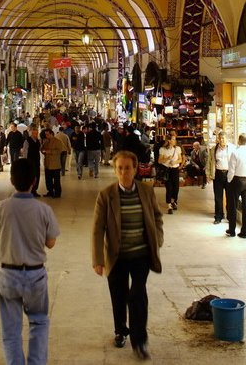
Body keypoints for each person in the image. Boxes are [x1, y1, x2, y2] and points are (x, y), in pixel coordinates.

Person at [92, 150, 163, 360]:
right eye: (120, 168)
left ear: (135, 169)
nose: (124, 172)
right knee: (119, 294)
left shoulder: (146, 191)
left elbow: (157, 217)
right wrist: (97, 259)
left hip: (141, 254)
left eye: (128, 168)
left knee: (137, 295)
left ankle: (139, 341)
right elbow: (98, 228)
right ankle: (121, 330)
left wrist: (157, 239)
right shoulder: (106, 195)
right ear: (115, 170)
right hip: (117, 255)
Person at [0, 158, 60, 365]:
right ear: (34, 181)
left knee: (10, 330)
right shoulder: (43, 210)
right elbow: (51, 242)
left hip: (8, 274)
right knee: (39, 322)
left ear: (11, 180)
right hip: (35, 275)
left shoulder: (1, 208)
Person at [226, 134, 246, 238]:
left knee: (233, 206)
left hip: (237, 180)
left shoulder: (235, 152)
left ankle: (232, 230)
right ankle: (245, 232)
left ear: (239, 141)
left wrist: (229, 181)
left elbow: (231, 169)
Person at [206, 131, 234, 224]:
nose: (221, 140)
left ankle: (230, 216)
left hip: (229, 174)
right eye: (220, 138)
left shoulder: (232, 148)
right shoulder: (214, 149)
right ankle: (218, 216)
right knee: (218, 196)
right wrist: (208, 175)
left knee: (229, 196)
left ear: (227, 139)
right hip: (217, 174)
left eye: (223, 138)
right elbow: (209, 162)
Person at [158, 132, 185, 213]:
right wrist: (166, 159)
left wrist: (175, 162)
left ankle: (174, 201)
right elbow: (159, 161)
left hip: (175, 169)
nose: (175, 141)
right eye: (173, 139)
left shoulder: (177, 149)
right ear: (169, 141)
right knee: (169, 188)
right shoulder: (162, 149)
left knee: (176, 187)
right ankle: (169, 205)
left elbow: (180, 159)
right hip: (167, 170)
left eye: (175, 139)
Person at [41, 128, 64, 198]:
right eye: (45, 135)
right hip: (47, 164)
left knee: (56, 180)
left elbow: (59, 151)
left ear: (52, 134)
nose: (46, 136)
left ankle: (57, 193)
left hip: (55, 165)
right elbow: (42, 149)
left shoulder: (58, 141)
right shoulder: (46, 142)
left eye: (47, 134)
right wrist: (43, 150)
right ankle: (50, 192)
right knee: (48, 180)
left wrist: (50, 152)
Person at [23, 125, 42, 196]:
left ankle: (35, 190)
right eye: (34, 133)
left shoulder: (38, 141)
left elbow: (39, 149)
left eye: (37, 133)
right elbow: (25, 152)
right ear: (31, 133)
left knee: (37, 176)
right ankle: (30, 190)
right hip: (30, 161)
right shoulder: (27, 141)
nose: (35, 135)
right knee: (31, 176)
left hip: (37, 161)